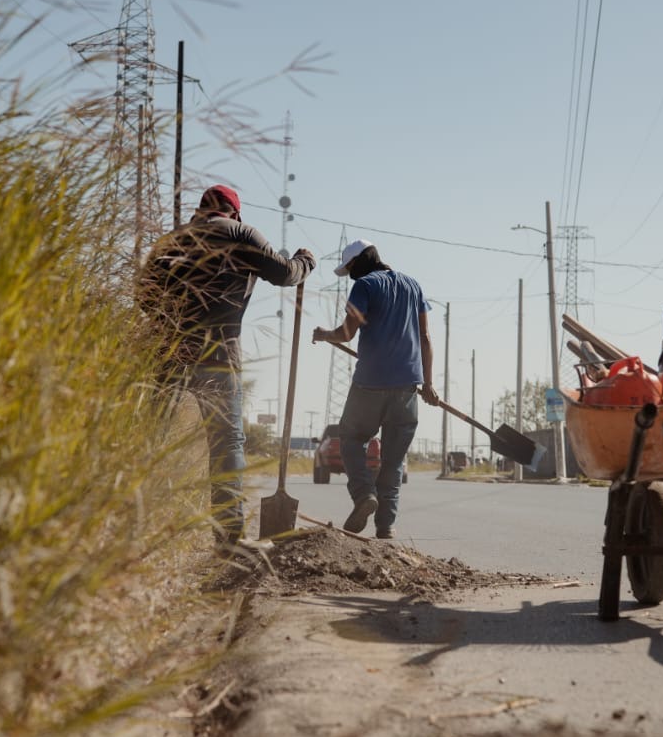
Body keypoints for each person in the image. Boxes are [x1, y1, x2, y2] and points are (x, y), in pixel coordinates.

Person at [139, 184, 315, 552]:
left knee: (151, 437)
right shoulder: (240, 233)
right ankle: (228, 538)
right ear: (234, 212)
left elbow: (143, 294)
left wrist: (174, 321)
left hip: (168, 352)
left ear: (201, 210)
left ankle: (137, 525)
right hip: (219, 355)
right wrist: (305, 262)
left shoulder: (172, 239)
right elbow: (285, 274)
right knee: (225, 442)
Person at [312, 239, 439, 538]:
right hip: (408, 385)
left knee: (351, 437)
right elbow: (426, 338)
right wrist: (429, 384)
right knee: (393, 461)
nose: (351, 275)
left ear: (362, 261)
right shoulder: (414, 286)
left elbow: (346, 333)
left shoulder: (365, 286)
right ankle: (386, 526)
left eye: (351, 268)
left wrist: (323, 334)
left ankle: (363, 494)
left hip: (370, 382)